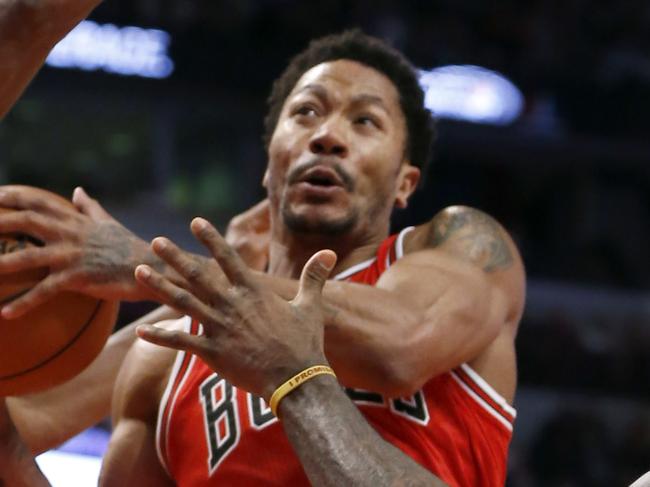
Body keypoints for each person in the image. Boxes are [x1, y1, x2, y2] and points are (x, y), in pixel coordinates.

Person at [0, 21, 525, 487]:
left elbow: (399, 345)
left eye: (365, 122)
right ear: (269, 164)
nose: (327, 136)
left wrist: (143, 262)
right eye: (306, 113)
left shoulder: (462, 243)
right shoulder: (163, 361)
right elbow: (31, 423)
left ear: (405, 182)